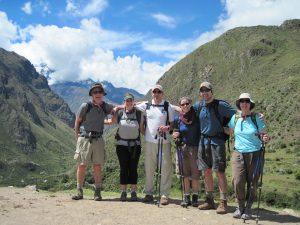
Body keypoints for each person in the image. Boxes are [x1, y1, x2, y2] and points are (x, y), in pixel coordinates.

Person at [226, 93, 270, 220]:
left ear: (250, 104)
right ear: (239, 104)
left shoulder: (257, 118)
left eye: (247, 101)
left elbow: (264, 135)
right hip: (238, 153)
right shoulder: (235, 118)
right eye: (242, 101)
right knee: (237, 181)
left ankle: (248, 208)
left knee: (252, 182)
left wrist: (266, 138)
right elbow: (228, 130)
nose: (244, 103)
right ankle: (240, 206)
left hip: (255, 153)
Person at [194, 81, 236, 214]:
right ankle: (209, 200)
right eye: (202, 91)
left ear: (212, 91)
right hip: (203, 142)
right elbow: (184, 109)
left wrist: (230, 128)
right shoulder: (199, 105)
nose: (205, 93)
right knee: (206, 171)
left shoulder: (220, 105)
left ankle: (223, 202)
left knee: (219, 171)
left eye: (207, 90)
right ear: (200, 93)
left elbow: (237, 115)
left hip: (217, 142)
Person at [72, 83, 115, 201]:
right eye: (95, 92)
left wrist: (118, 113)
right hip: (85, 138)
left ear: (103, 94)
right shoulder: (85, 106)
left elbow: (116, 109)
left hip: (98, 139)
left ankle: (97, 192)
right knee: (82, 165)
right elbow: (77, 122)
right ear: (91, 94)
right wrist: (77, 140)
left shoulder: (106, 106)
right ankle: (79, 190)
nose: (98, 94)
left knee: (97, 166)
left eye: (99, 92)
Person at [135, 84, 175, 205]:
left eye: (159, 92)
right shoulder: (146, 105)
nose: (156, 94)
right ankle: (148, 193)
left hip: (164, 141)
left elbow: (173, 124)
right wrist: (116, 108)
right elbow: (132, 105)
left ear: (162, 93)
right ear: (152, 93)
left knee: (165, 168)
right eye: (154, 92)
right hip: (149, 142)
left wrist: (167, 127)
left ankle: (164, 195)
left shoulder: (168, 106)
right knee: (149, 167)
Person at [106, 93, 143, 202]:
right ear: (124, 102)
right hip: (121, 146)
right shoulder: (120, 113)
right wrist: (100, 122)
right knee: (123, 168)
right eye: (127, 101)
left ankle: (133, 192)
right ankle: (123, 192)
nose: (129, 102)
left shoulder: (139, 113)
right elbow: (112, 122)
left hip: (135, 146)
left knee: (133, 169)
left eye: (130, 100)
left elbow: (142, 128)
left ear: (133, 102)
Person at [172, 96, 201, 207]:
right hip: (183, 148)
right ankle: (186, 196)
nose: (185, 106)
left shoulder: (197, 117)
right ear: (180, 106)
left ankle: (195, 197)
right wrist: (176, 135)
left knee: (195, 174)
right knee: (185, 174)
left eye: (187, 103)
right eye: (182, 104)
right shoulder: (178, 119)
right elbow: (175, 131)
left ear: (190, 104)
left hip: (195, 148)